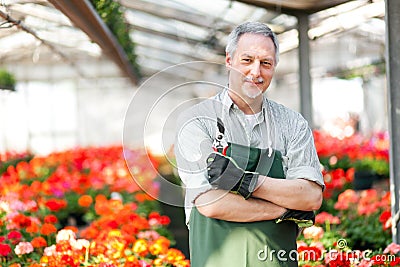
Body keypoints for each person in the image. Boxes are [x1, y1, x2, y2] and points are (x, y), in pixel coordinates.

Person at [174, 21, 324, 267]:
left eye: (266, 63)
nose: (256, 72)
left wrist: (246, 181)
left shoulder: (292, 123)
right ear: (229, 60)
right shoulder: (197, 121)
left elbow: (310, 198)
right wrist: (284, 210)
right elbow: (211, 203)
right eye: (247, 60)